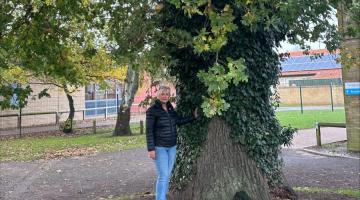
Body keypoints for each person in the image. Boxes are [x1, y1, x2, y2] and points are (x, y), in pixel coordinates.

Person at [146, 85, 198, 200]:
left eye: (167, 94)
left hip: (172, 147)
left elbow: (178, 121)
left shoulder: (170, 108)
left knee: (167, 175)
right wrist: (151, 149)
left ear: (169, 96)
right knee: (163, 176)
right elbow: (149, 131)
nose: (165, 96)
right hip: (160, 147)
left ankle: (163, 196)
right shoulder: (152, 110)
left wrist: (193, 117)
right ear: (158, 95)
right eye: (162, 94)